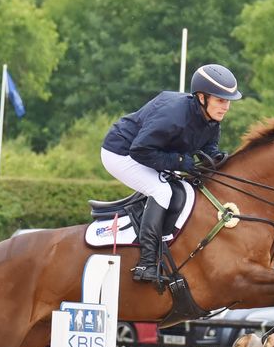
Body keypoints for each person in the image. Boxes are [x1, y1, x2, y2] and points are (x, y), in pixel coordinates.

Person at [101, 63, 242, 283]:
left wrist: (217, 159)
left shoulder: (211, 119)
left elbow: (208, 148)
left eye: (228, 102)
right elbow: (139, 150)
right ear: (202, 98)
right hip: (121, 152)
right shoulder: (174, 116)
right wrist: (179, 162)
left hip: (149, 152)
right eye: (221, 100)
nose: (226, 107)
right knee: (161, 191)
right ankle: (146, 263)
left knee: (186, 188)